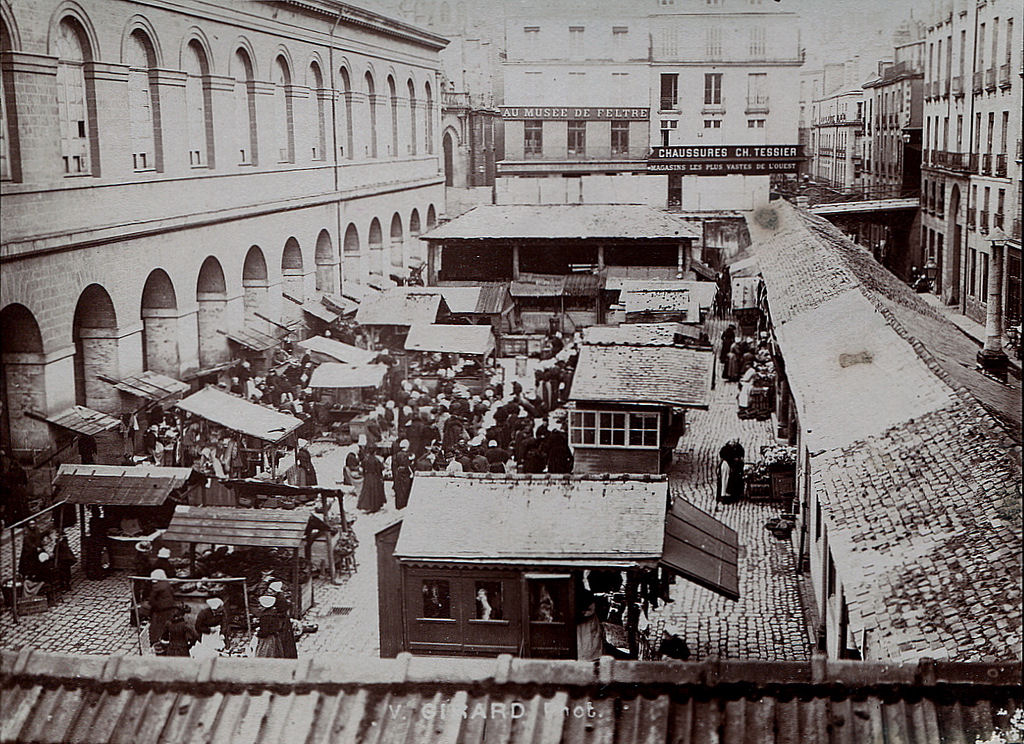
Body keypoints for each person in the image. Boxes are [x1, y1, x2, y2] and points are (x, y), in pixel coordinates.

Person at [147, 569, 177, 649]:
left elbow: (151, 599)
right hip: (169, 607)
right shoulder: (167, 583)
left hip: (161, 608)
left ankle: (156, 641)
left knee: (158, 626)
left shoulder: (156, 586)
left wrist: (154, 605)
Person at [268, 580, 298, 659]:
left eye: (271, 590)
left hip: (282, 622)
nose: (269, 591)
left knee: (284, 640)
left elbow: (282, 612)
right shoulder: (276, 597)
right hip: (281, 620)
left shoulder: (280, 600)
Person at [357, 447, 386, 513]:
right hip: (375, 476)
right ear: (374, 452)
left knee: (367, 491)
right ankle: (375, 506)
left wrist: (364, 474)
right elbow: (381, 468)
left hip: (367, 477)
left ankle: (367, 505)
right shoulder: (376, 460)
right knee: (375, 491)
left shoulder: (366, 459)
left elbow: (362, 468)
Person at [392, 440, 413, 510]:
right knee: (405, 488)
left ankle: (399, 504)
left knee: (399, 489)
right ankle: (404, 503)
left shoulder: (397, 454)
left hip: (399, 473)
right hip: (405, 472)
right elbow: (407, 465)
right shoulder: (406, 455)